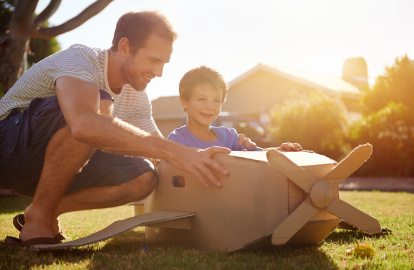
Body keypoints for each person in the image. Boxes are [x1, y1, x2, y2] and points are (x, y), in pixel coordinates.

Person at [0, 11, 250, 247]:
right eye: (153, 60)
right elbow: (84, 123)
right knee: (95, 111)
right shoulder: (81, 60)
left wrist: (211, 160)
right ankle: (40, 222)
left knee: (144, 174)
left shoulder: (136, 96)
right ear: (124, 47)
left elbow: (160, 153)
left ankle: (43, 210)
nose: (160, 72)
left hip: (46, 171)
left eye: (164, 62)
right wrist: (174, 151)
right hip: (7, 152)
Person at [168, 66, 303, 152]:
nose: (210, 106)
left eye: (216, 100)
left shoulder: (230, 137)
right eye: (202, 99)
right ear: (185, 102)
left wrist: (279, 150)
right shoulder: (176, 141)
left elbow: (260, 156)